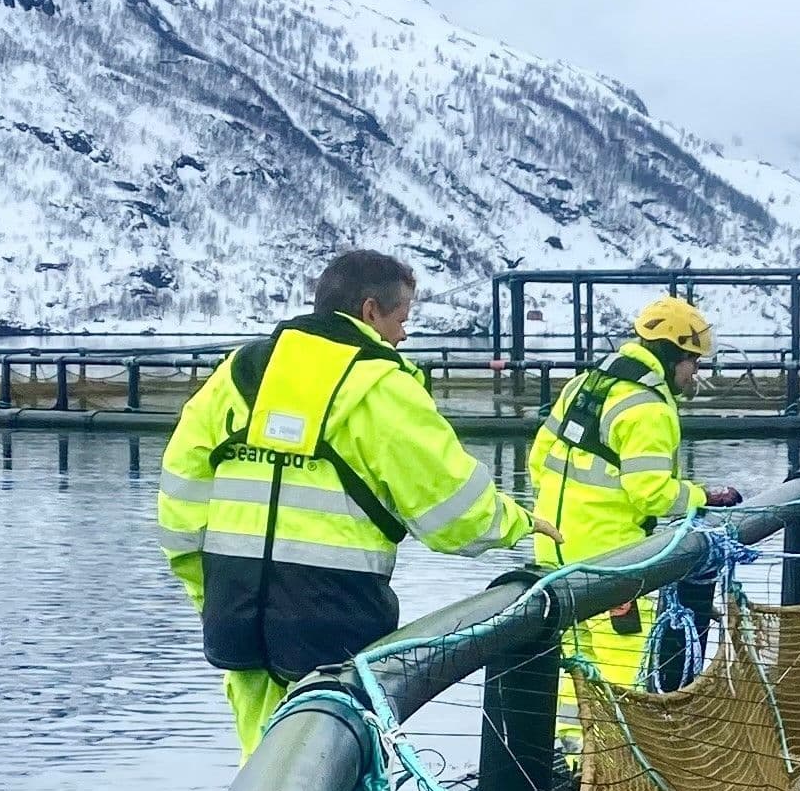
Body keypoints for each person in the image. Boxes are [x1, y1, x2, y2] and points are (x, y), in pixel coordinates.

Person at [159, 250, 554, 755]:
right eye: (402, 319)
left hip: (236, 611)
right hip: (334, 618)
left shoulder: (236, 375)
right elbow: (454, 511)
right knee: (342, 777)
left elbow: (179, 504)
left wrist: (209, 593)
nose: (403, 336)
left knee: (266, 783)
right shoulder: (380, 385)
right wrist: (518, 522)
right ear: (370, 312)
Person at [527, 293, 741, 693]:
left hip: (553, 554)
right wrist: (701, 496)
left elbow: (538, 463)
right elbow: (652, 495)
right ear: (673, 355)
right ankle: (615, 754)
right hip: (615, 563)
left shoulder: (583, 386)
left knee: (572, 668)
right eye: (693, 361)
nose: (694, 372)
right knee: (623, 675)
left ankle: (573, 752)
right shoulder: (649, 409)